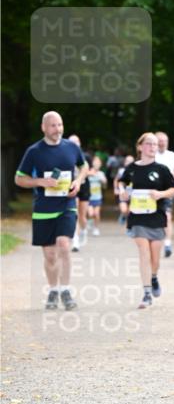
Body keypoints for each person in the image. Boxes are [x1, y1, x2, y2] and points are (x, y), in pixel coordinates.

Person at [14, 111, 88, 310]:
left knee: (64, 245)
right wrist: (40, 181)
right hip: (43, 208)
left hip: (66, 205)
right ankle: (53, 290)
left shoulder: (71, 147)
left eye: (60, 124)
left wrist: (78, 182)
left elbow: (84, 166)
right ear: (44, 128)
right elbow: (19, 178)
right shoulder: (34, 151)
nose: (58, 129)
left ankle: (65, 290)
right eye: (53, 125)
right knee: (49, 255)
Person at [120, 132, 174, 309]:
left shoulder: (162, 169)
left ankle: (153, 277)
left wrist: (160, 194)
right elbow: (121, 183)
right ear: (140, 147)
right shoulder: (131, 168)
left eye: (155, 144)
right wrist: (123, 193)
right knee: (143, 251)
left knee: (155, 258)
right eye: (149, 144)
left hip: (156, 216)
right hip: (137, 217)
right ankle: (146, 293)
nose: (153, 147)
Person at [154, 131, 174, 257]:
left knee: (167, 216)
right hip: (152, 191)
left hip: (167, 190)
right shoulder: (151, 155)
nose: (162, 143)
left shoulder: (172, 155)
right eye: (160, 140)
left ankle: (167, 244)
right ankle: (154, 242)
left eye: (164, 140)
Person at [68, 134, 92, 251]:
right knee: (75, 214)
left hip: (84, 187)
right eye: (71, 142)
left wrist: (83, 173)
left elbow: (90, 171)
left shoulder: (85, 156)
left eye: (76, 142)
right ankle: (75, 240)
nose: (74, 144)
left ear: (79, 143)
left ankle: (83, 230)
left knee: (82, 216)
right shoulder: (65, 155)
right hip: (71, 186)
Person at [86, 155, 107, 236]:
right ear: (92, 163)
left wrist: (102, 180)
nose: (97, 163)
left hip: (97, 197)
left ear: (100, 164)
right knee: (91, 213)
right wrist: (89, 174)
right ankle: (90, 221)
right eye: (95, 161)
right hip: (89, 197)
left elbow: (105, 184)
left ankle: (96, 228)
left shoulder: (101, 173)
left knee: (96, 213)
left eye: (98, 162)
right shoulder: (88, 172)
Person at [114, 155, 134, 224]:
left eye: (131, 161)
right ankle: (123, 215)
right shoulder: (121, 171)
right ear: (125, 162)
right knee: (123, 210)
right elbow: (116, 180)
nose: (129, 163)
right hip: (122, 193)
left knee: (130, 211)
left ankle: (128, 222)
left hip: (132, 193)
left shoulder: (136, 171)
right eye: (127, 161)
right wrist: (116, 189)